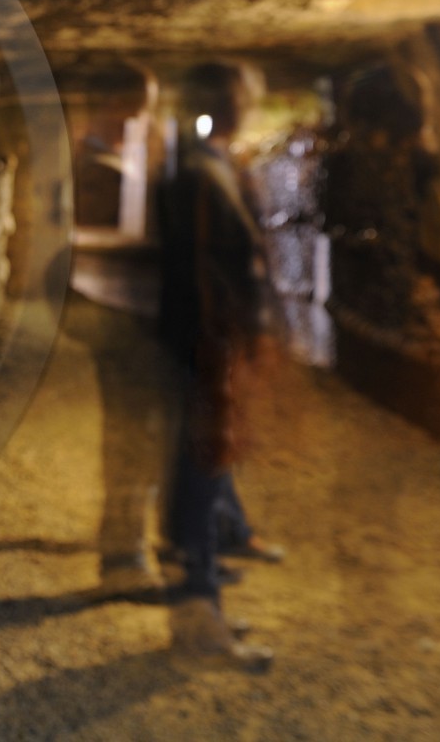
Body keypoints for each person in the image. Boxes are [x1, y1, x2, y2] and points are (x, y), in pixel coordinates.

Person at [156, 61, 280, 669]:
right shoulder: (201, 176)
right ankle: (201, 622)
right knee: (204, 467)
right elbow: (207, 267)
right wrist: (225, 344)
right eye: (239, 97)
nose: (245, 107)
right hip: (210, 342)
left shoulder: (211, 167)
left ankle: (202, 599)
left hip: (211, 339)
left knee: (205, 466)